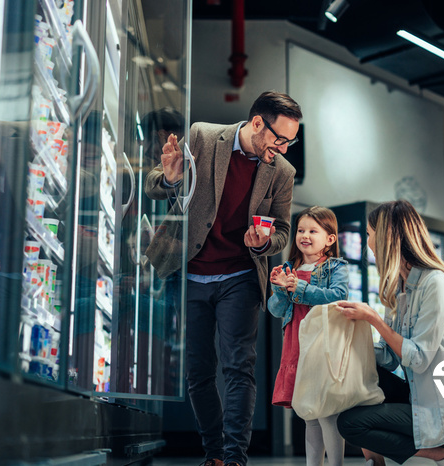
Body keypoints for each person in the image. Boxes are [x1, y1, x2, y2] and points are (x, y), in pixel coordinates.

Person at [144, 91, 303, 466]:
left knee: (238, 367)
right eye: (279, 138)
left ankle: (234, 458)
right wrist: (168, 179)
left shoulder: (282, 173)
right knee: (198, 373)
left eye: (290, 142)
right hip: (189, 273)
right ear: (257, 123)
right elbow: (154, 182)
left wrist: (265, 243)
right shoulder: (202, 137)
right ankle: (213, 452)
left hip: (240, 276)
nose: (283, 148)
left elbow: (281, 231)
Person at [335, 200, 444, 466]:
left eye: (370, 234)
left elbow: (419, 358)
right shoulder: (398, 289)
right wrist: (352, 342)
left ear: (387, 238)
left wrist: (374, 319)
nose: (368, 242)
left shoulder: (436, 282)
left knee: (351, 425)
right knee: (358, 382)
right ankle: (391, 457)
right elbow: (391, 359)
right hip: (422, 403)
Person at [268, 206, 349, 466]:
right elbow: (275, 309)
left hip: (323, 344)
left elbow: (338, 296)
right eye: (301, 230)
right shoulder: (289, 267)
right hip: (296, 344)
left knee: (327, 412)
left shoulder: (336, 267)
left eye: (313, 230)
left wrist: (300, 287)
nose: (305, 235)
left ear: (330, 239)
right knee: (308, 412)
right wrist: (280, 289)